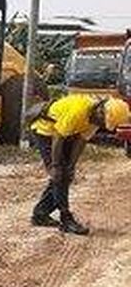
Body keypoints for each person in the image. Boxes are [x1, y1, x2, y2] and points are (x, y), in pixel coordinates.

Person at [29, 93, 130, 235]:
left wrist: (71, 166)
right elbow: (58, 137)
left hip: (65, 134)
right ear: (101, 110)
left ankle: (40, 214)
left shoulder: (96, 118)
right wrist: (55, 166)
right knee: (58, 175)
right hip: (45, 131)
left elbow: (80, 141)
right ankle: (66, 219)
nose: (100, 125)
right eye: (102, 121)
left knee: (66, 175)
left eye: (103, 124)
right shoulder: (78, 110)